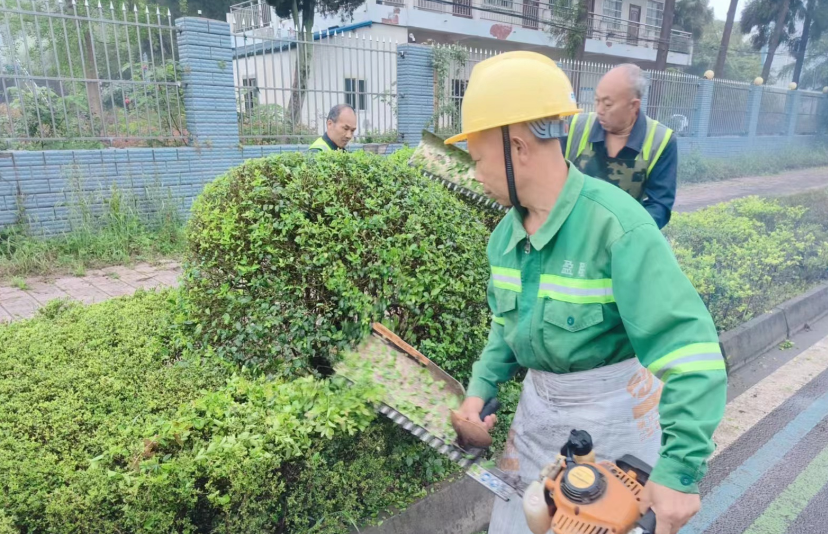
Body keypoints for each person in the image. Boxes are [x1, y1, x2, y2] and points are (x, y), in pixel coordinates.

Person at [446, 51, 726, 534]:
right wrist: (479, 392)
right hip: (536, 421)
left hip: (616, 428)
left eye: (477, 160)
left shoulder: (618, 228)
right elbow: (505, 326)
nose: (475, 175)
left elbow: (692, 353)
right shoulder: (504, 239)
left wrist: (679, 470)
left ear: (518, 147)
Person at [561, 64, 677, 228]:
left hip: (624, 236)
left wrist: (626, 233)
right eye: (597, 100)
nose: (600, 110)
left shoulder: (661, 140)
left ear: (633, 105)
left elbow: (659, 206)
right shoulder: (576, 127)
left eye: (608, 104)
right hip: (572, 230)